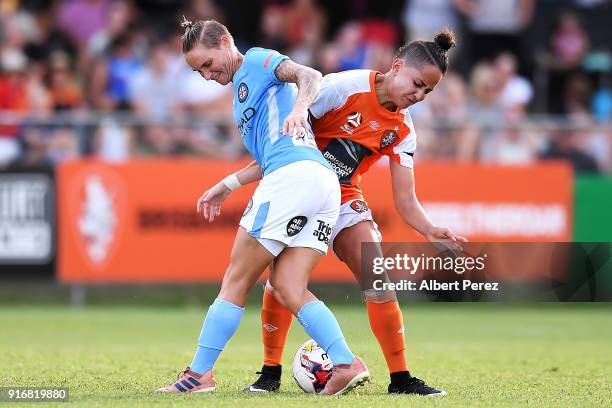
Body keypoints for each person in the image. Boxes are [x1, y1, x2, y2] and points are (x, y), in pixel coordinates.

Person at [212, 30, 467, 396]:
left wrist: (428, 229)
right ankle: (270, 373)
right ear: (396, 67)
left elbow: (405, 200)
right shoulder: (343, 87)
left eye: (427, 91)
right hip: (301, 186)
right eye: (417, 83)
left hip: (343, 196)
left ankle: (401, 379)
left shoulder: (403, 130)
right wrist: (236, 180)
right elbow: (287, 139)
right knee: (281, 280)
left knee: (377, 276)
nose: (419, 95)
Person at [157, 18, 369, 396]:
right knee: (288, 286)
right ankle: (345, 363)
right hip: (319, 183)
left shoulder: (255, 60)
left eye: (207, 63)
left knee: (235, 280)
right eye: (198, 71)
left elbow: (310, 74)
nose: (206, 75)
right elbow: (269, 155)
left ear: (225, 41)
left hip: (294, 179)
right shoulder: (242, 93)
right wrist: (227, 184)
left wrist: (301, 107)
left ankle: (199, 375)